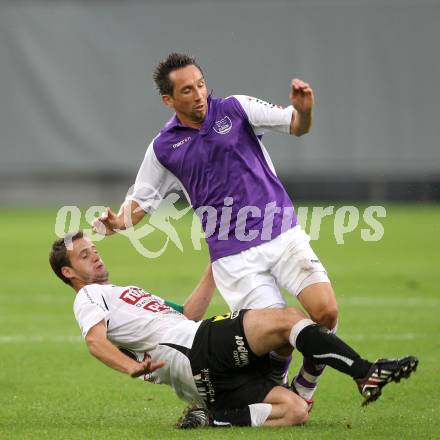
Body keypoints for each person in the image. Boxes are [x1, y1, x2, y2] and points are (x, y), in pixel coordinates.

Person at [92, 53, 340, 403]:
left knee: (326, 312)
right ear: (169, 99)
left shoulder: (236, 109)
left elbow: (297, 125)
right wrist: (118, 222)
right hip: (232, 256)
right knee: (279, 334)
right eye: (188, 90)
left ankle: (304, 386)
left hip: (281, 232)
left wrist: (305, 110)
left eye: (201, 84)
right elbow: (142, 200)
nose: (199, 94)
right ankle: (279, 385)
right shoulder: (164, 147)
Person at [49, 231, 418, 428]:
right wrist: (128, 367)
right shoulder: (89, 297)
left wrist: (215, 262)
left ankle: (214, 416)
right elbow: (95, 342)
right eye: (85, 255)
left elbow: (190, 312)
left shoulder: (118, 294)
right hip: (197, 348)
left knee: (293, 412)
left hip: (200, 377)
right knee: (287, 320)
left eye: (93, 249)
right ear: (68, 273)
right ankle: (365, 372)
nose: (96, 256)